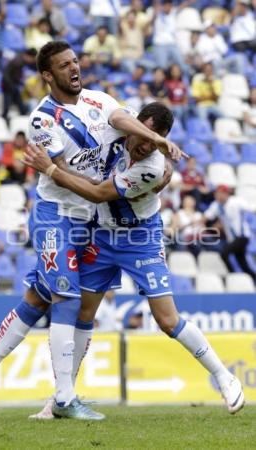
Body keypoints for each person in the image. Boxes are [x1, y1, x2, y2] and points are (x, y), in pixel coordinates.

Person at [0, 41, 182, 420]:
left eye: (75, 61)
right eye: (64, 65)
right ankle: (64, 399)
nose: (73, 68)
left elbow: (123, 121)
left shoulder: (98, 99)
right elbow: (62, 174)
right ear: (48, 75)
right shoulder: (42, 120)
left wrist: (158, 142)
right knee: (67, 297)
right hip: (56, 215)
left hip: (89, 221)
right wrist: (100, 186)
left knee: (37, 299)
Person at [24, 102, 244, 418]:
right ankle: (63, 397)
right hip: (101, 235)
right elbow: (112, 114)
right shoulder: (116, 125)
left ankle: (224, 376)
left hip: (140, 237)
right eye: (145, 136)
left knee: (167, 320)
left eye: (155, 141)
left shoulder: (154, 168)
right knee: (84, 312)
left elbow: (99, 194)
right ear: (137, 124)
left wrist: (51, 169)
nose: (146, 145)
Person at [204, 184, 255, 280]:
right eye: (216, 194)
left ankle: (233, 275)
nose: (217, 196)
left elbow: (250, 209)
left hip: (242, 236)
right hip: (232, 239)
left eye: (220, 193)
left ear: (226, 194)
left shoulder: (236, 201)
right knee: (243, 263)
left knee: (224, 253)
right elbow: (207, 216)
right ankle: (253, 278)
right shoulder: (216, 205)